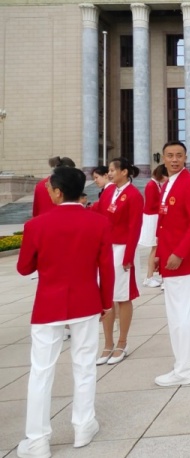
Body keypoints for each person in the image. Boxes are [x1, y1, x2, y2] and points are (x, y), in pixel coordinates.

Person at [16, 167, 114, 458]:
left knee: (41, 372)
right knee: (84, 366)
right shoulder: (98, 223)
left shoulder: (36, 225)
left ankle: (37, 440)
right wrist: (106, 303)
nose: (46, 192)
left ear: (58, 192)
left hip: (49, 305)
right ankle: (83, 426)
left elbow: (24, 268)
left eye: (49, 189)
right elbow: (106, 268)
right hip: (86, 303)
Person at [154, 140, 190, 386]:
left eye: (179, 155)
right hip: (171, 254)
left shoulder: (189, 184)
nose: (174, 160)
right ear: (163, 158)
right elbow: (165, 221)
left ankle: (182, 370)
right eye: (169, 155)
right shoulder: (170, 184)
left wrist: (178, 253)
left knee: (180, 315)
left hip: (180, 259)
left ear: (186, 157)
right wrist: (159, 252)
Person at [92, 157, 143, 366]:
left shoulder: (133, 195)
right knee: (106, 298)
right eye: (109, 170)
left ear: (124, 172)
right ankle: (107, 343)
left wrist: (129, 255)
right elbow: (98, 213)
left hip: (123, 250)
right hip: (106, 249)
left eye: (113, 170)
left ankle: (122, 342)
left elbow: (135, 226)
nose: (109, 173)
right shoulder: (110, 192)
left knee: (122, 297)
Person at [140, 164, 168, 288]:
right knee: (155, 249)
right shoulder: (151, 185)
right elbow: (151, 204)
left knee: (156, 249)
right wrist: (164, 206)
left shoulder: (155, 185)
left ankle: (150, 276)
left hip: (154, 216)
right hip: (152, 218)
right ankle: (149, 277)